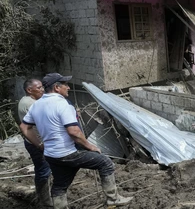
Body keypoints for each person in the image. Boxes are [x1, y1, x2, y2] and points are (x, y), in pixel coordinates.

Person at [20, 73, 132, 208]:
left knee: (60, 185)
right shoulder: (62, 104)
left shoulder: (36, 106)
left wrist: (39, 145)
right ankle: (113, 200)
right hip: (67, 153)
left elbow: (24, 127)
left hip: (51, 155)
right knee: (105, 163)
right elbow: (74, 132)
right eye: (65, 85)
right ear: (56, 87)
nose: (68, 87)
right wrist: (90, 146)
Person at [18, 79, 52, 207]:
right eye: (39, 87)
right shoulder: (31, 103)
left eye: (42, 87)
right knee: (44, 170)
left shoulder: (29, 101)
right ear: (29, 90)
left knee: (43, 169)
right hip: (36, 143)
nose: (42, 89)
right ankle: (45, 201)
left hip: (35, 141)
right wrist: (40, 144)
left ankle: (42, 197)